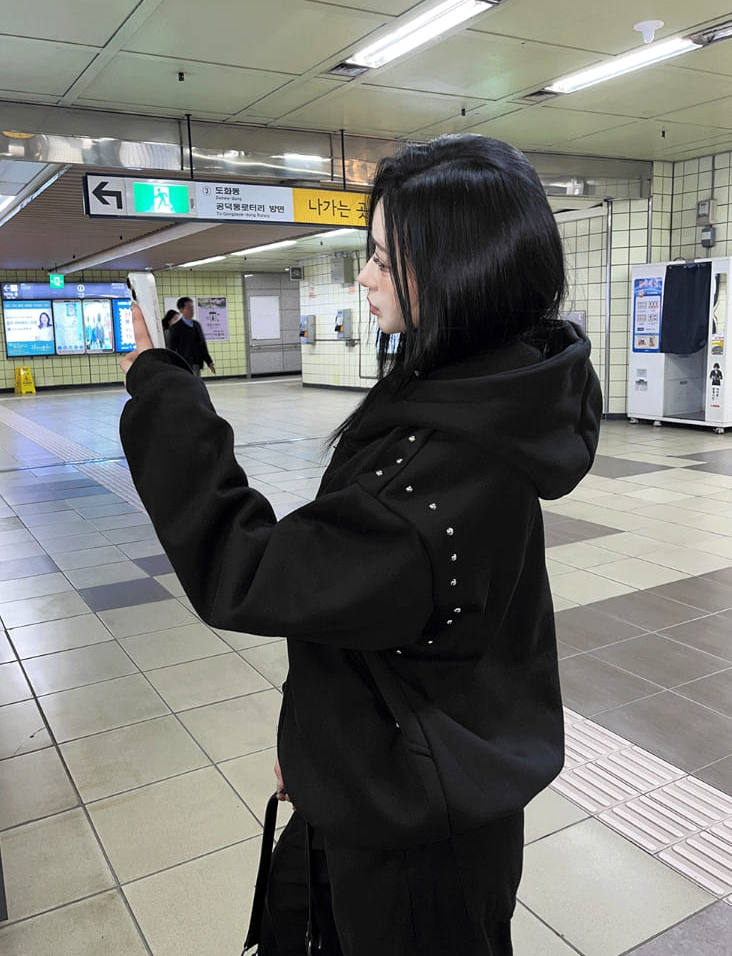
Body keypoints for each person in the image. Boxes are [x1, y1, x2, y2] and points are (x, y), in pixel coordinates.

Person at [119, 134, 602, 956]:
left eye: (383, 258)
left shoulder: (431, 483)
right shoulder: (495, 397)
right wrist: (317, 747)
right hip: (416, 775)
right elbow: (371, 614)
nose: (365, 277)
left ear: (458, 271)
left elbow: (249, 570)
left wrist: (164, 390)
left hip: (415, 843)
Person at [167, 296, 215, 376]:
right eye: (189, 308)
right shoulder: (175, 328)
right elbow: (172, 349)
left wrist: (209, 362)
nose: (192, 310)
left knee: (196, 382)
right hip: (184, 365)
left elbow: (202, 345)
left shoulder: (197, 325)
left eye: (192, 307)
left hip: (197, 363)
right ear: (181, 310)